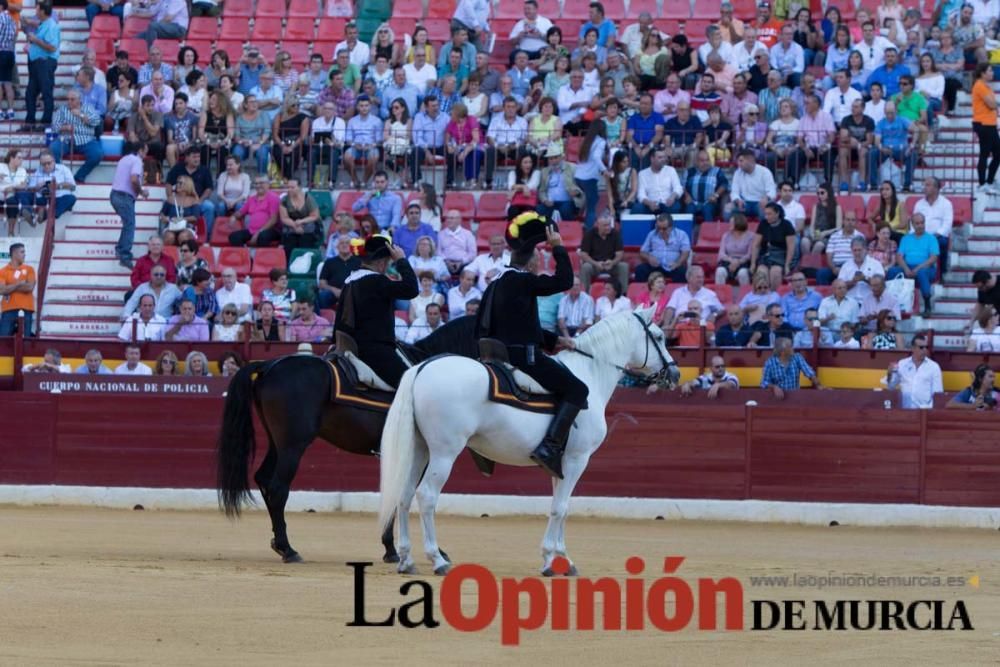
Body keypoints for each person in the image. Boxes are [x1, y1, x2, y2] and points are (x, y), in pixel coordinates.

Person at [475, 212, 586, 479]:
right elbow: (564, 281)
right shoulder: (522, 281)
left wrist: (553, 340)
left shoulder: (498, 282)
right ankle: (549, 447)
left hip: (496, 355)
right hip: (524, 358)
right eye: (539, 258)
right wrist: (558, 246)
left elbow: (517, 323)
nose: (541, 262)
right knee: (578, 389)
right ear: (531, 262)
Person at [335, 233, 418, 388]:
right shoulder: (377, 281)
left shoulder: (350, 280)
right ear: (381, 263)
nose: (387, 267)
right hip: (376, 352)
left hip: (352, 347)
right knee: (412, 385)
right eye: (387, 263)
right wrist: (401, 260)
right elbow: (411, 289)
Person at [888, 213, 939, 316]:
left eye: (922, 223)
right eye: (917, 223)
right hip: (908, 267)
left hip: (926, 268)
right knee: (892, 271)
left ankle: (927, 305)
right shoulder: (906, 238)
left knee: (922, 273)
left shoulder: (931, 238)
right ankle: (889, 304)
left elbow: (933, 258)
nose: (920, 225)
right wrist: (906, 269)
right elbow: (899, 256)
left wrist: (918, 268)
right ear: (912, 225)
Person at [109, 142, 149, 270]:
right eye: (145, 151)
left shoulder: (124, 159)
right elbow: (133, 179)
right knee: (130, 224)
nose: (146, 154)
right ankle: (124, 255)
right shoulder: (137, 161)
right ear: (140, 150)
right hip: (125, 197)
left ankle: (121, 249)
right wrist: (141, 191)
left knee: (127, 223)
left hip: (115, 195)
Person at [21, 3, 59, 131]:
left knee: (46, 92)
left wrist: (35, 40)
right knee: (30, 93)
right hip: (37, 62)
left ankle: (45, 123)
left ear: (42, 11)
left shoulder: (51, 25)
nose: (35, 11)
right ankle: (30, 122)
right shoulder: (43, 24)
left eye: (37, 9)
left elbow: (52, 47)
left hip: (45, 62)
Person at [887, 333, 942, 409]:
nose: (925, 350)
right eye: (921, 347)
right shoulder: (902, 364)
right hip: (904, 409)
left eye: (926, 347)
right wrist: (889, 374)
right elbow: (891, 387)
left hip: (924, 411)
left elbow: (937, 394)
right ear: (913, 348)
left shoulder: (934, 367)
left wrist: (926, 410)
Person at [635, 212, 691, 284]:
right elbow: (642, 252)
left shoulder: (681, 235)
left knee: (682, 272)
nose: (661, 231)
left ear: (671, 227)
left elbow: (686, 252)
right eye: (658, 228)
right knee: (640, 269)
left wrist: (678, 263)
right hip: (656, 266)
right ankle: (642, 293)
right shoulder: (652, 234)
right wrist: (649, 258)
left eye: (664, 229)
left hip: (673, 266)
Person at [760, 336, 824, 398]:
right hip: (778, 397)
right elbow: (764, 382)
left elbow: (809, 373)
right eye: (790, 347)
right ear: (783, 351)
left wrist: (818, 384)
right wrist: (774, 387)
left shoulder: (797, 357)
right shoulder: (770, 362)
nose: (793, 348)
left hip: (795, 396)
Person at [578, 212, 628, 292]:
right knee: (586, 267)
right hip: (594, 265)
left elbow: (620, 253)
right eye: (605, 225)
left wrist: (612, 262)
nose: (608, 228)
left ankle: (622, 295)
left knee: (623, 266)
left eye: (609, 225)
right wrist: (595, 263)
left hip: (611, 265)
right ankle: (584, 295)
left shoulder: (615, 233)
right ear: (598, 225)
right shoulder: (589, 234)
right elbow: (583, 254)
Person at [973, 63, 1000, 194]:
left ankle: (989, 181)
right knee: (984, 153)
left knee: (997, 154)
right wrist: (995, 105)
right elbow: (991, 104)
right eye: (989, 71)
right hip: (983, 123)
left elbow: (994, 104)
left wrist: (995, 105)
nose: (992, 73)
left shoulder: (986, 87)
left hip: (990, 123)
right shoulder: (980, 86)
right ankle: (982, 183)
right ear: (983, 73)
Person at [0, 242, 35, 336]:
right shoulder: (3, 271)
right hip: (8, 310)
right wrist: (18, 284)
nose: (25, 254)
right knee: (3, 342)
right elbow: (2, 290)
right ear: (14, 254)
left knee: (26, 341)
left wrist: (9, 287)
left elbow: (30, 287)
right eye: (22, 252)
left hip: (26, 309)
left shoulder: (29, 269)